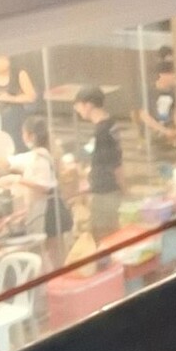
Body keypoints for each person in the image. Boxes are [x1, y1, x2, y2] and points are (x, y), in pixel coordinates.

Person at [74, 86, 124, 240]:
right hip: (110, 189)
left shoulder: (101, 132)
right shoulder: (110, 124)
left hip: (104, 190)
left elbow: (113, 162)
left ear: (88, 105)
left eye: (79, 105)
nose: (77, 110)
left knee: (104, 236)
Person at [0, 55, 37, 149]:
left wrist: (11, 98)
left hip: (17, 118)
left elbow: (31, 96)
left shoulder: (19, 74)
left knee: (18, 145)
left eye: (2, 58)